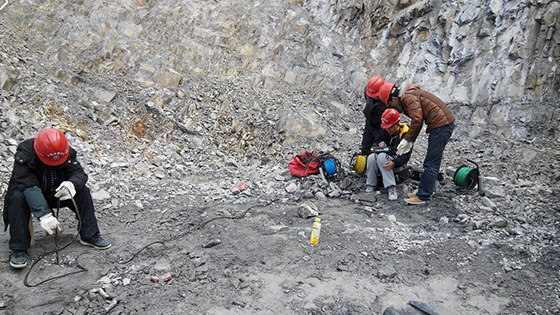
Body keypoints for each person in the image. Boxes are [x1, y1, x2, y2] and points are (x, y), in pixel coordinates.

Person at [3, 128, 111, 269]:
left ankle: (89, 235)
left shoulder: (66, 151)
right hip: (30, 195)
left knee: (83, 191)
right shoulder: (25, 153)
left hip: (55, 193)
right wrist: (44, 214)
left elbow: (79, 174)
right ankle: (18, 248)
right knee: (17, 198)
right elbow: (29, 186)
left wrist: (72, 185)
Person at [379, 81, 455, 205]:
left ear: (393, 99)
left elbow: (417, 120)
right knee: (431, 162)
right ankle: (425, 191)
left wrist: (408, 140)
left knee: (431, 163)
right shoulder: (409, 95)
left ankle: (424, 195)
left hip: (441, 126)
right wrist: (409, 140)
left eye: (390, 104)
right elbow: (418, 119)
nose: (393, 108)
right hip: (441, 124)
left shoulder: (407, 98)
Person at [365, 108, 412, 201]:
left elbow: (406, 156)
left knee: (382, 156)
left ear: (397, 124)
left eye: (390, 127)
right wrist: (378, 144)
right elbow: (373, 146)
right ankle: (371, 184)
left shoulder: (406, 135)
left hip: (397, 164)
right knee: (371, 157)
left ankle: (391, 187)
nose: (388, 130)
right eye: (386, 128)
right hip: (384, 162)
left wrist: (394, 163)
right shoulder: (385, 131)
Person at [360, 75, 388, 155]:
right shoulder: (368, 90)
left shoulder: (388, 98)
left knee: (379, 148)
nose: (374, 98)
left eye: (376, 96)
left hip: (381, 125)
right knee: (365, 145)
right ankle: (364, 161)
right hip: (369, 121)